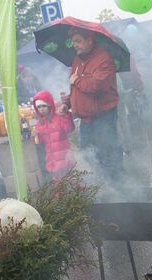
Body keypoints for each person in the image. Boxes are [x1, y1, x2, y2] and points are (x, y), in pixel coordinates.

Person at [62, 27, 123, 184]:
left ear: (89, 40)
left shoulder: (103, 59)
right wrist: (67, 103)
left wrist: (77, 80)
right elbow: (75, 88)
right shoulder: (77, 60)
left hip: (103, 118)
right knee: (89, 157)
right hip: (86, 121)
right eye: (73, 41)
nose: (75, 44)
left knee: (108, 156)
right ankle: (101, 188)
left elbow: (97, 85)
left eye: (79, 41)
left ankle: (118, 191)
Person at [32, 90, 75, 181]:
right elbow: (40, 141)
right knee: (59, 182)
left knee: (67, 181)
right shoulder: (40, 123)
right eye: (39, 107)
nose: (41, 109)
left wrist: (66, 115)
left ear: (49, 105)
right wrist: (36, 136)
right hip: (52, 159)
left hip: (64, 156)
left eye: (44, 106)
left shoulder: (58, 117)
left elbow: (69, 129)